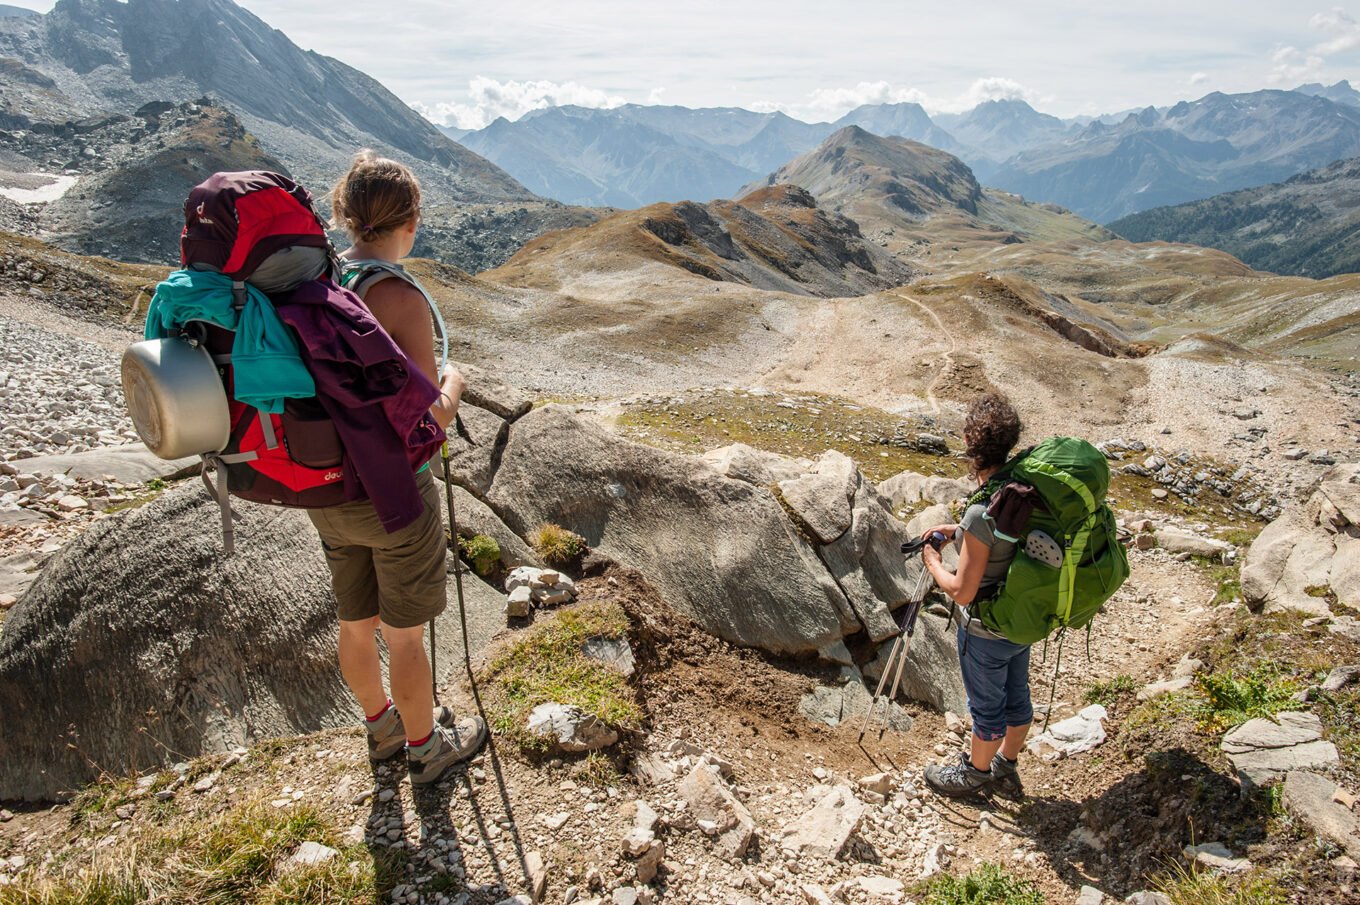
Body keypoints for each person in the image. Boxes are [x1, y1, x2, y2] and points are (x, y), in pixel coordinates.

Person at [315, 150, 486, 785]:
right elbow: (424, 421)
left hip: (327, 492)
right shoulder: (395, 294)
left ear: (343, 217)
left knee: (356, 626)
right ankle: (427, 748)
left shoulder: (317, 286)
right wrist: (456, 381)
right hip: (393, 497)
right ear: (410, 222)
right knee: (405, 636)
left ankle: (382, 730)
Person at [919, 392, 1029, 799]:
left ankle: (975, 774)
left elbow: (962, 591)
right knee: (1017, 696)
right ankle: (1006, 765)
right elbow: (998, 540)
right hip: (1023, 618)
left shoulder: (981, 511)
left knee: (986, 707)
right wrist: (959, 532)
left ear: (971, 444)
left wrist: (932, 561)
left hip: (986, 628)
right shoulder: (1019, 490)